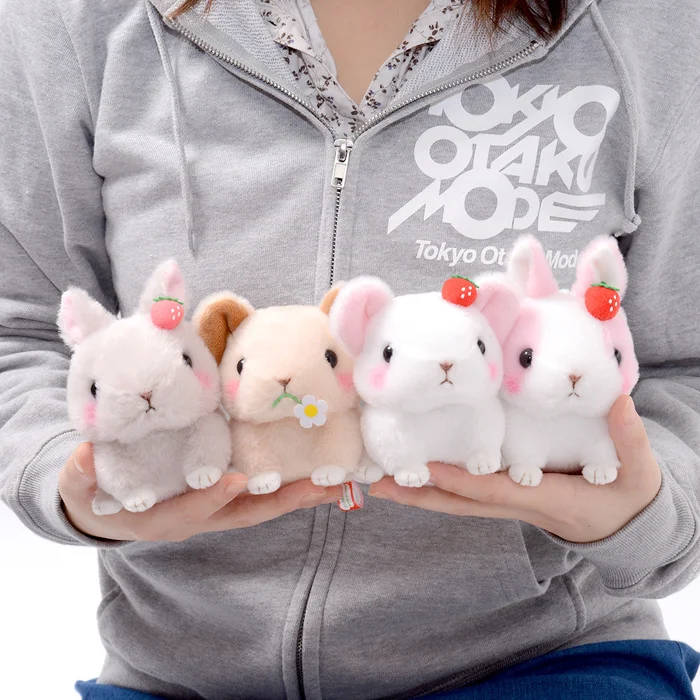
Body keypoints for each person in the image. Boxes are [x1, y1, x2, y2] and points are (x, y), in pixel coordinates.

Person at [1, 0, 699, 698]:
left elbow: (684, 361)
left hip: (545, 659)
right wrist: (74, 480)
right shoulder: (74, 18)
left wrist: (642, 517)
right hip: (174, 670)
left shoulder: (651, 28)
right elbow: (22, 325)